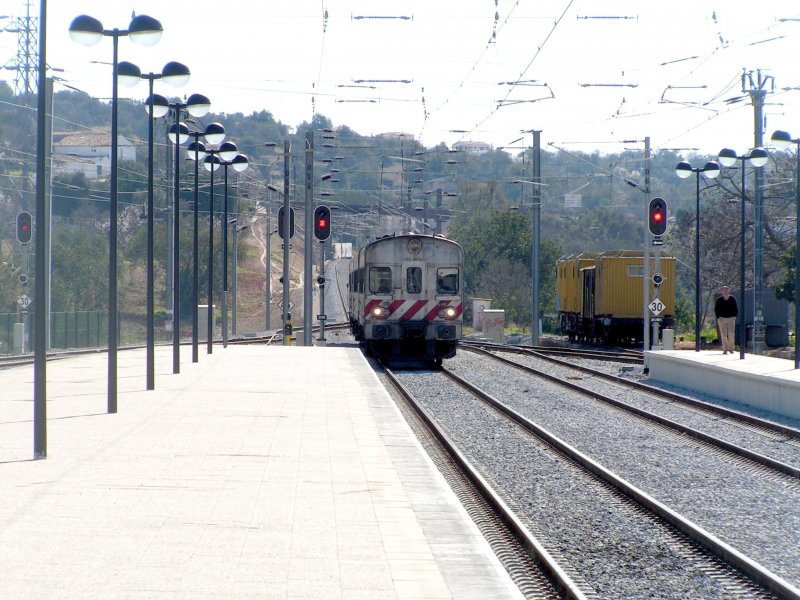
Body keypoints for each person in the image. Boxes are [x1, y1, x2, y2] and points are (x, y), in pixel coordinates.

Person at [714, 286, 738, 355]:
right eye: (724, 290)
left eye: (726, 290)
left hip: (731, 318)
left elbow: (736, 308)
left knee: (731, 334)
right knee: (723, 334)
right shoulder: (719, 300)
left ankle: (731, 349)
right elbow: (716, 309)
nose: (725, 291)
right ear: (722, 291)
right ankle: (725, 349)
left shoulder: (732, 299)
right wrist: (719, 317)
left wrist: (734, 316)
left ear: (728, 291)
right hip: (722, 318)